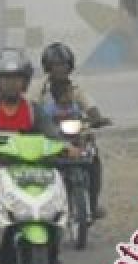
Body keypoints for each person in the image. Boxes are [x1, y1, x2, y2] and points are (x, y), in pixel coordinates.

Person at [0, 48, 80, 264]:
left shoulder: (34, 111)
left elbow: (52, 134)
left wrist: (67, 147)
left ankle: (52, 242)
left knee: (57, 191)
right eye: (5, 79)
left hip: (33, 169)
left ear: (25, 82)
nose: (11, 84)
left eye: (16, 79)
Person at [37, 42, 108, 219]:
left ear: (70, 66)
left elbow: (90, 106)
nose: (60, 69)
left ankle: (92, 202)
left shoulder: (76, 88)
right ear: (48, 67)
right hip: (48, 140)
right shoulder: (38, 89)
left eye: (64, 65)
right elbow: (30, 109)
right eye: (56, 65)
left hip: (76, 138)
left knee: (93, 159)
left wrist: (97, 118)